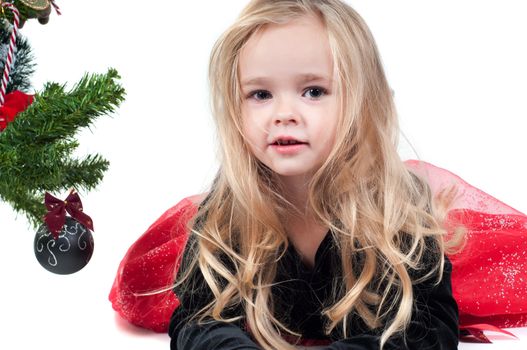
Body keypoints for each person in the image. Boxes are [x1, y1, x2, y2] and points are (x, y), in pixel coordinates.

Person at [166, 0, 462, 349]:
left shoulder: (395, 210)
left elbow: (427, 328)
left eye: (314, 92)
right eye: (260, 94)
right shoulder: (231, 208)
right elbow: (198, 316)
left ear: (361, 101)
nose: (284, 114)